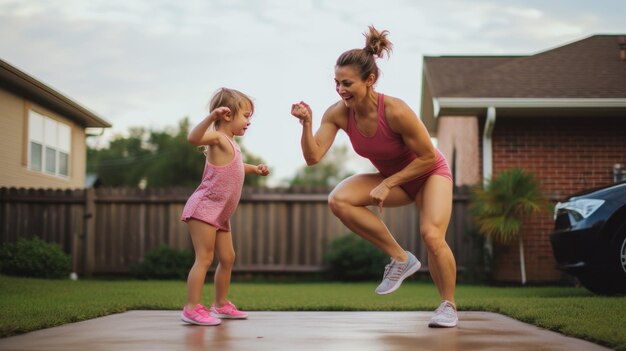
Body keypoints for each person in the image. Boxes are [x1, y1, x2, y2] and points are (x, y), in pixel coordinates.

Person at [290, 26, 458, 328]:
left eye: (347, 83)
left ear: (369, 81)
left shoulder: (395, 110)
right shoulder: (338, 113)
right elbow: (313, 157)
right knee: (339, 200)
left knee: (432, 235)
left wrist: (388, 182)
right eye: (337, 83)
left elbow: (428, 157)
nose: (341, 90)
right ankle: (400, 258)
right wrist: (307, 123)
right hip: (394, 178)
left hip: (429, 173)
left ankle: (448, 305)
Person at [180, 87, 270, 326]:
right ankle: (191, 307)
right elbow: (193, 139)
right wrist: (211, 118)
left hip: (220, 214)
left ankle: (220, 304)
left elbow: (236, 167)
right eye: (246, 115)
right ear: (227, 115)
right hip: (204, 208)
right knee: (205, 258)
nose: (249, 121)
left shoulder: (231, 143)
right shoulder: (217, 137)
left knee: (228, 258)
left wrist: (255, 169)